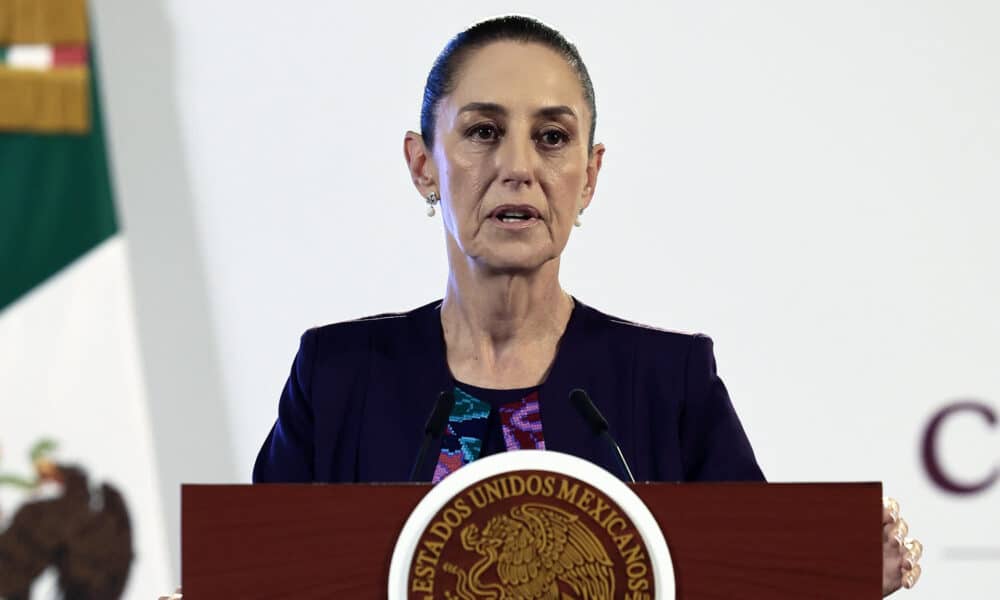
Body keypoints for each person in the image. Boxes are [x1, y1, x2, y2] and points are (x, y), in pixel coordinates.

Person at [251, 15, 921, 595]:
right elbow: (261, 579)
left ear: (590, 175)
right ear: (423, 164)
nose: (518, 166)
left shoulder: (668, 380)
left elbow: (752, 581)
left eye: (551, 137)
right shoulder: (339, 375)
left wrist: (841, 574)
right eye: (483, 132)